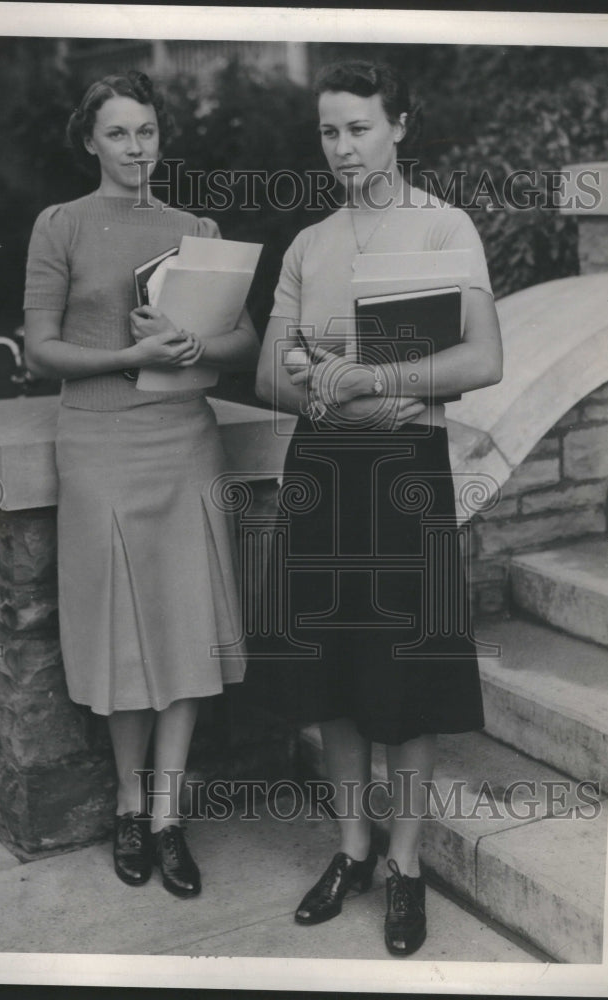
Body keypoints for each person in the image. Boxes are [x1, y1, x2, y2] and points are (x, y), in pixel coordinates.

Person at [254, 59, 502, 956]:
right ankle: (351, 850)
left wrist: (379, 377)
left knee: (407, 675)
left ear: (400, 125)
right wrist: (329, 393)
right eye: (328, 130)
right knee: (334, 673)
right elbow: (262, 375)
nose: (342, 145)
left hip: (403, 473)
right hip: (322, 468)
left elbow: (481, 360)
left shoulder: (444, 227)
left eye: (358, 126)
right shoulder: (310, 242)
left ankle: (405, 865)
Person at [23, 71, 258, 898]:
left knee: (185, 623)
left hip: (183, 442)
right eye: (118, 133)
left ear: (161, 138)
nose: (134, 148)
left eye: (146, 133)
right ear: (89, 139)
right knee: (122, 627)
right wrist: (129, 358)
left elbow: (243, 338)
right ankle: (128, 802)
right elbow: (42, 347)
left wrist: (197, 348)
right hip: (98, 445)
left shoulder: (194, 228)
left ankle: (167, 815)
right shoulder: (61, 226)